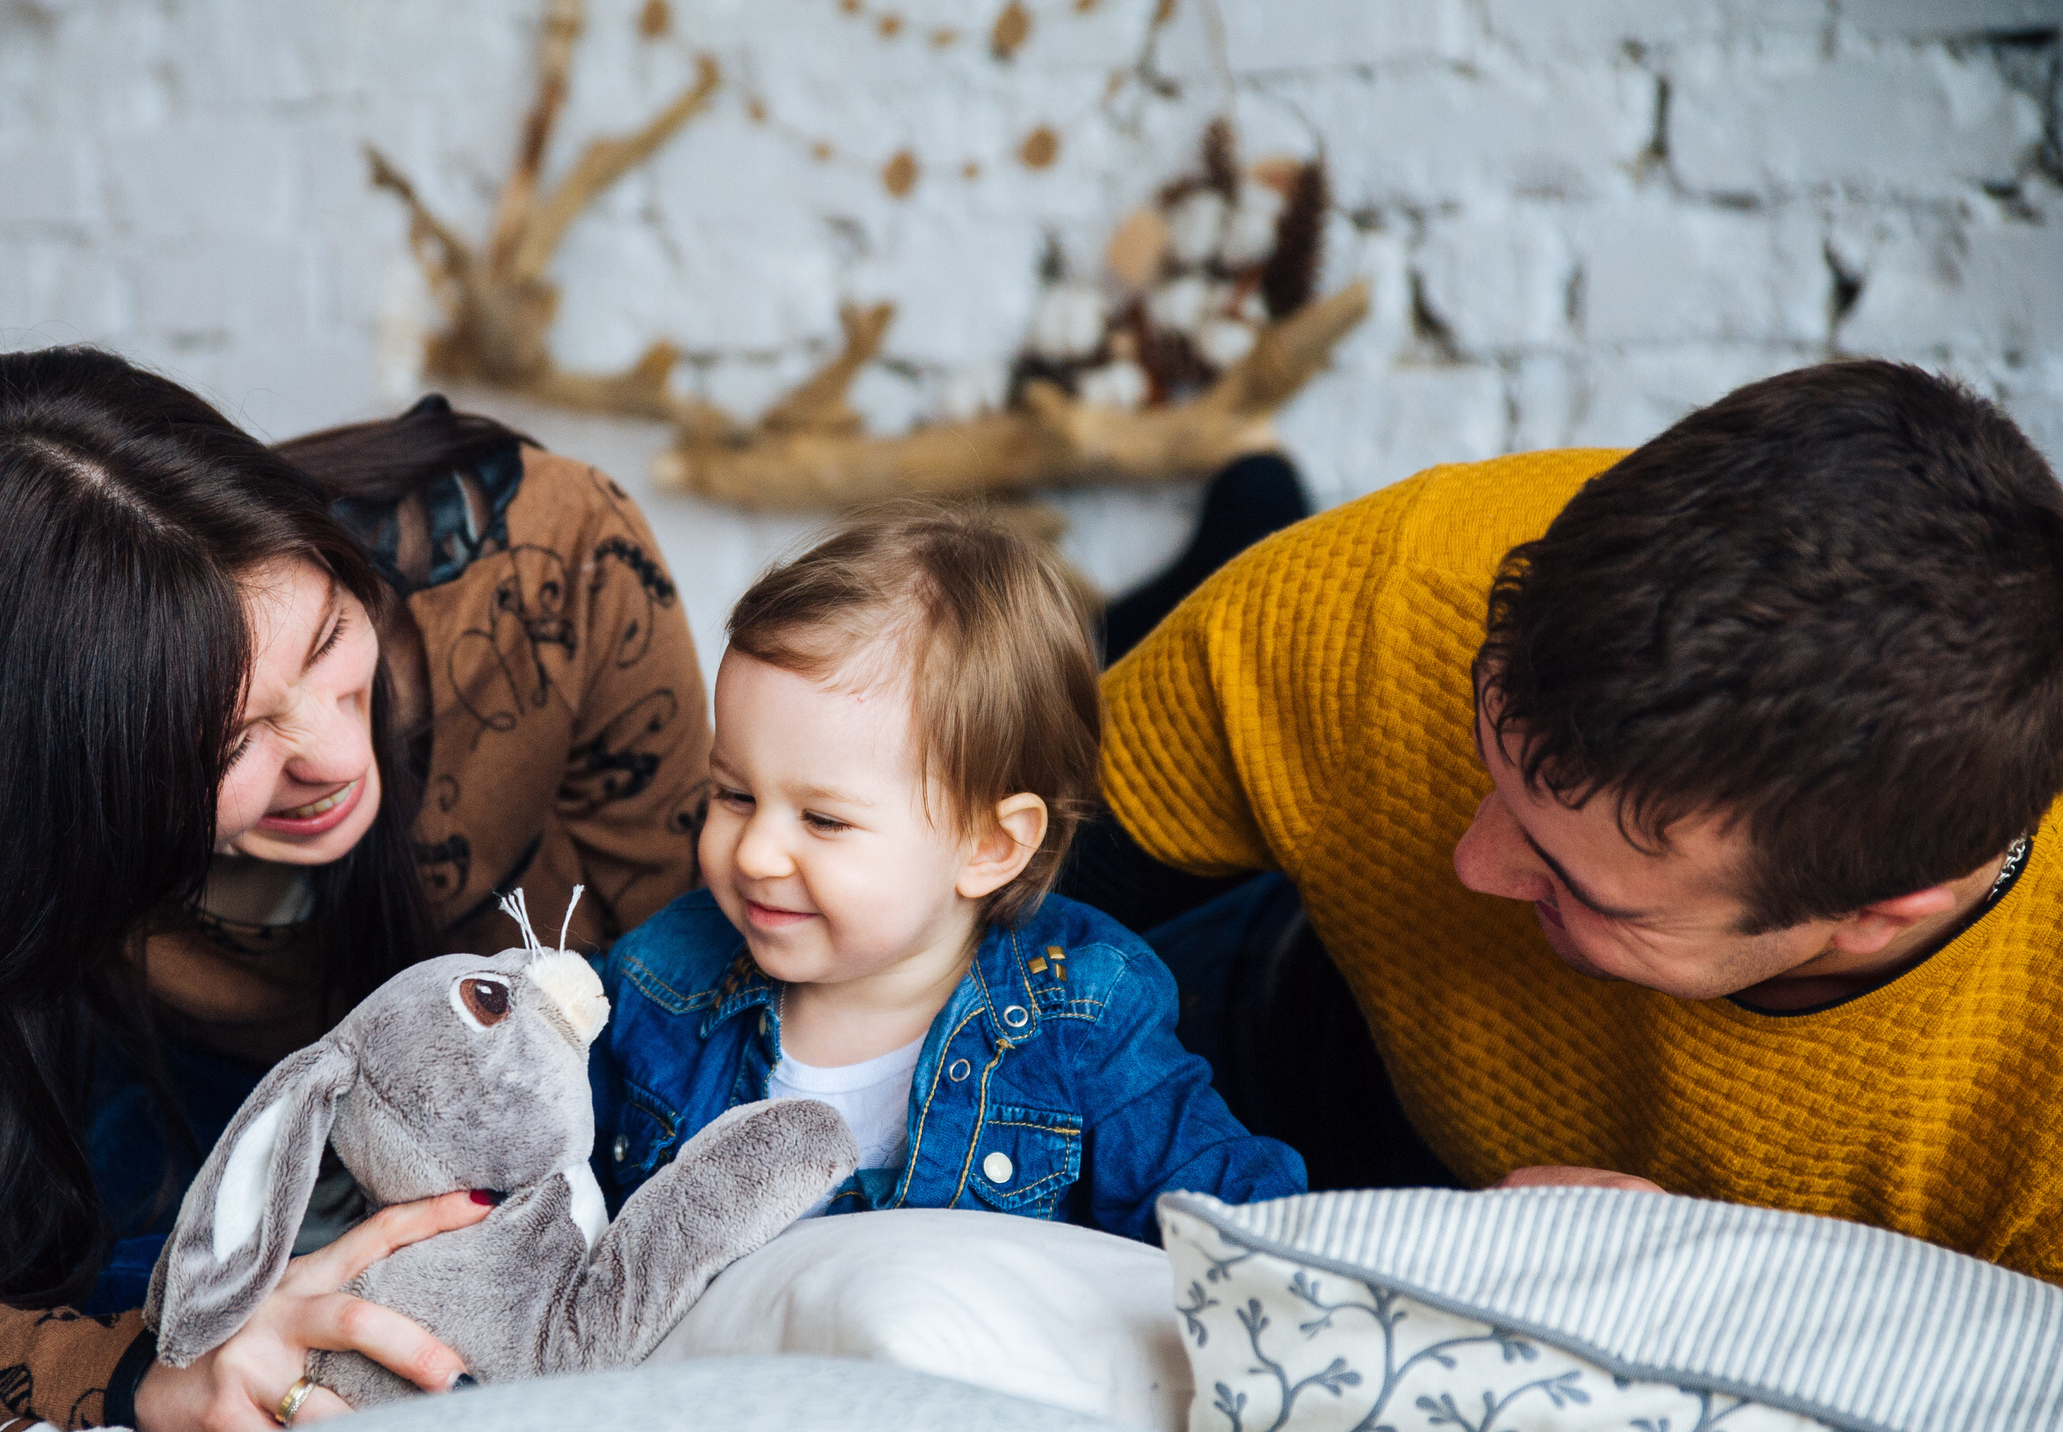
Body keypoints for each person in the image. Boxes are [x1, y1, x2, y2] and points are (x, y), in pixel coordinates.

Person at [0, 347, 711, 1432]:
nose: (337, 754)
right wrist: (146, 1380)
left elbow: (689, 1017)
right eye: (225, 742)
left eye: (331, 639)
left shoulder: (549, 577)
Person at [1078, 360, 2063, 1279]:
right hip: (1307, 1018)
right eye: (1486, 758)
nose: (1470, 862)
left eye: (1579, 879)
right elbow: (984, 870)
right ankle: (1186, 580)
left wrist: (1766, 1302)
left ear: (1877, 911)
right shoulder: (1396, 590)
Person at [588, 509, 1305, 1243]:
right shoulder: (661, 978)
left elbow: (1237, 1222)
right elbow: (531, 1136)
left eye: (824, 820)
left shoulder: (1082, 1020)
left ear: (990, 846)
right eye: (734, 795)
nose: (753, 854)